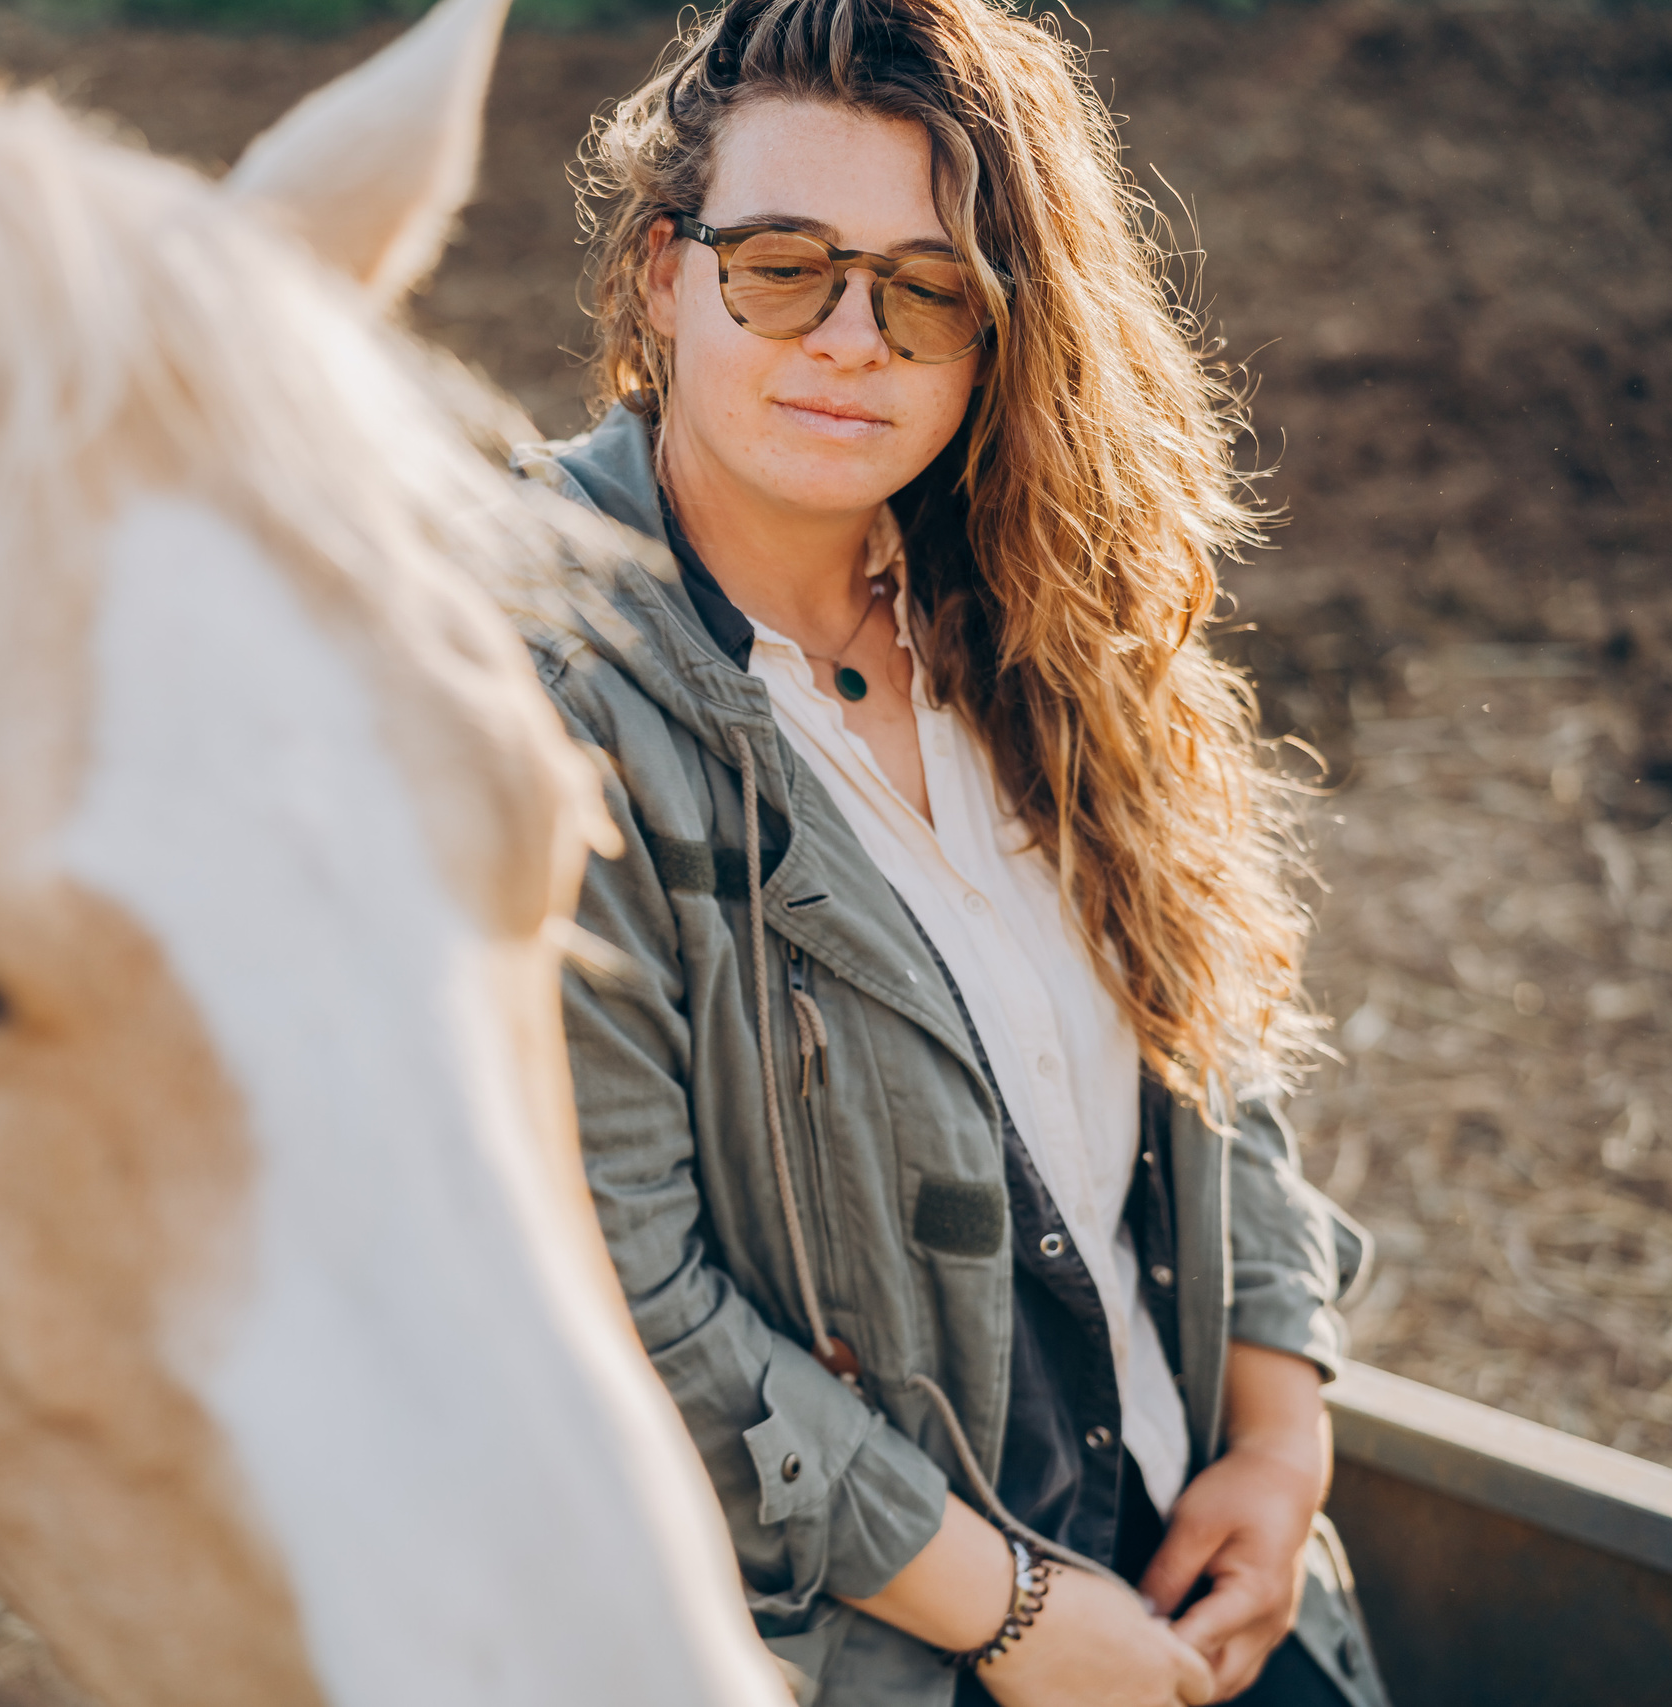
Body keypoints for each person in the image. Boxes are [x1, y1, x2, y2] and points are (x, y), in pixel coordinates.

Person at [509, 3, 1388, 1704]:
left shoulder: (1039, 603)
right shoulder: (537, 691)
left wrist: (1280, 1450)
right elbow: (621, 1291)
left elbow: (1209, 1036)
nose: (855, 336)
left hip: (1213, 1589)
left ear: (1001, 336)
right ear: (658, 276)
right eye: (783, 265)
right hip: (868, 1654)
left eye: (929, 286)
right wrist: (1010, 1616)